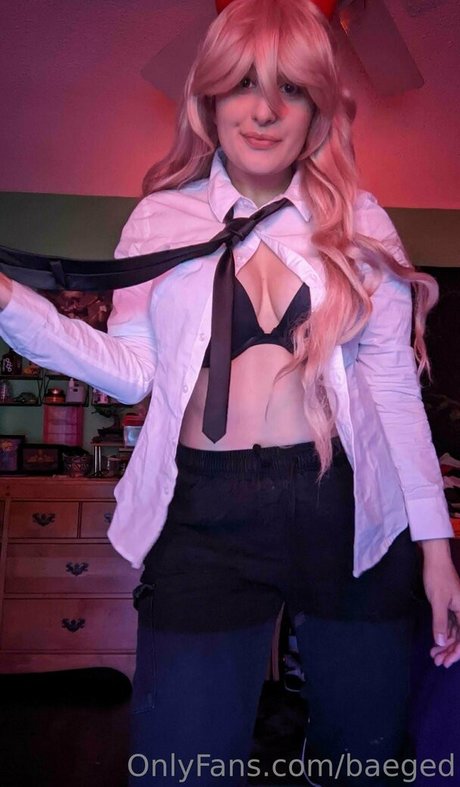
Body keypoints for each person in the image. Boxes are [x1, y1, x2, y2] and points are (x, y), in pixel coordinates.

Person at [0, 0, 459, 784]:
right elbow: (133, 370)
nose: (265, 109)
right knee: (180, 764)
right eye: (244, 82)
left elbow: (392, 390)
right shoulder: (160, 220)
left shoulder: (361, 220)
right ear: (209, 96)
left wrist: (436, 549)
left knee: (364, 761)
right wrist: (12, 306)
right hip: (206, 514)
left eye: (292, 87)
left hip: (345, 502)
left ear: (317, 109)